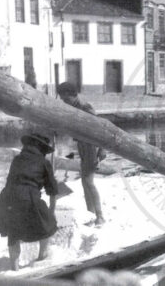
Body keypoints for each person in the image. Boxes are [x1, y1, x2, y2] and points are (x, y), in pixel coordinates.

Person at [0, 133, 58, 270]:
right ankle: (43, 256)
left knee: (13, 232)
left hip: (7, 198)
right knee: (48, 225)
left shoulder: (17, 159)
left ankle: (14, 267)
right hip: (28, 196)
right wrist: (52, 212)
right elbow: (53, 190)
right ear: (41, 148)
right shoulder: (44, 163)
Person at [57, 82, 106, 225]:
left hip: (91, 146)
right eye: (62, 100)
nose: (64, 102)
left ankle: (100, 216)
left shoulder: (85, 107)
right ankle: (90, 215)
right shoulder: (74, 106)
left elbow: (100, 128)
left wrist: (102, 149)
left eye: (66, 99)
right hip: (83, 145)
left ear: (72, 94)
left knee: (89, 182)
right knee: (85, 183)